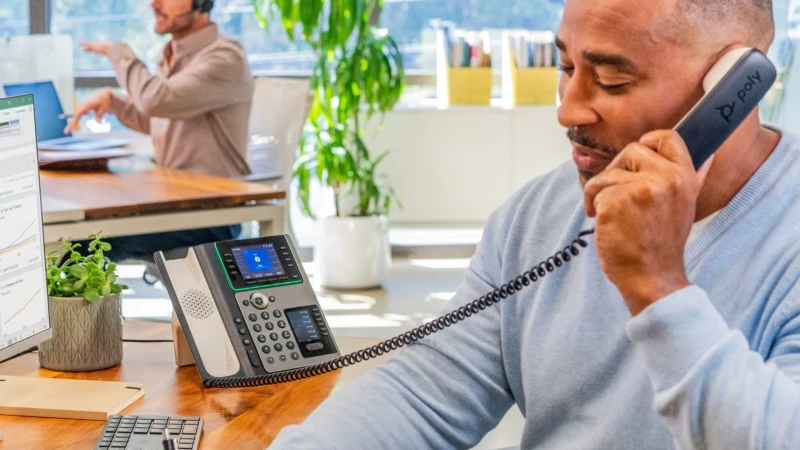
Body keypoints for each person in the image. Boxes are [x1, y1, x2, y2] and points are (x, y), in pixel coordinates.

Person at [269, 0, 800, 449]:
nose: (567, 112)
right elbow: (424, 392)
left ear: (734, 88)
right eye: (566, 68)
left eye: (612, 81)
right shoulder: (538, 217)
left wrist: (658, 287)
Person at [66, 0, 254, 264]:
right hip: (172, 204)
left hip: (210, 216)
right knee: (75, 228)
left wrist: (120, 55)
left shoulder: (225, 58)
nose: (154, 4)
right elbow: (160, 118)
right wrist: (116, 103)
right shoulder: (172, 55)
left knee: (80, 244)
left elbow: (157, 101)